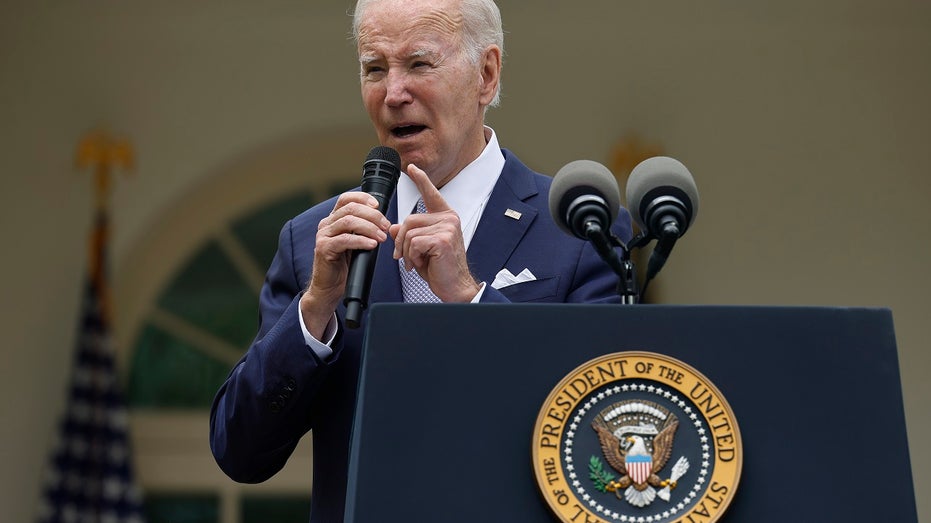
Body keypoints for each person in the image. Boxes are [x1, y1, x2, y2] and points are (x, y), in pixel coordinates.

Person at [209, 0, 632, 520]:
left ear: (486, 75)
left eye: (419, 64)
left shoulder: (580, 228)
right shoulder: (311, 242)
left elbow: (609, 425)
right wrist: (317, 306)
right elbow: (239, 451)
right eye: (375, 69)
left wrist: (470, 297)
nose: (393, 94)